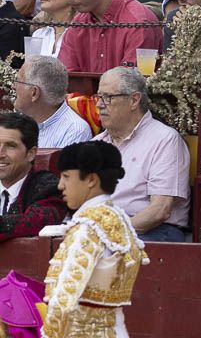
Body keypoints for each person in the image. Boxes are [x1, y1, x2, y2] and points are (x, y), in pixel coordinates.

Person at [41, 141, 146, 338]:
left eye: (66, 176)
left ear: (90, 179)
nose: (60, 185)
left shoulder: (88, 229)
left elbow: (63, 300)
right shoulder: (118, 219)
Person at [94, 66, 191, 241]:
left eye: (108, 97)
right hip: (101, 230)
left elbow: (160, 210)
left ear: (134, 100)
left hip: (152, 232)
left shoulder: (165, 140)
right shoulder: (95, 144)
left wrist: (112, 233)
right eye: (98, 97)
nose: (100, 104)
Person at [0, 112, 68, 242]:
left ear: (31, 153)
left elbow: (35, 222)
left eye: (10, 146)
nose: (0, 153)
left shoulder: (48, 187)